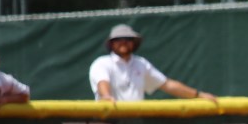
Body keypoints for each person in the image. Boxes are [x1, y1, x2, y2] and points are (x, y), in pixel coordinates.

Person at [89, 24, 217, 102]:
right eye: (118, 39)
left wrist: (199, 95)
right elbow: (102, 83)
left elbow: (167, 84)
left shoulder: (141, 63)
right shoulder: (102, 63)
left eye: (128, 39)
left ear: (134, 43)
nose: (123, 42)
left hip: (133, 123)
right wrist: (106, 97)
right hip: (106, 121)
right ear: (111, 44)